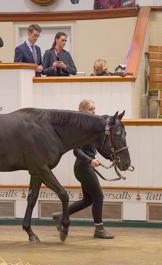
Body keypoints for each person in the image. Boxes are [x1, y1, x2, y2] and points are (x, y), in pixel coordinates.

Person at [53, 99, 114, 239]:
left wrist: (111, 157)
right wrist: (90, 160)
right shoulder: (79, 129)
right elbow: (76, 151)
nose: (94, 111)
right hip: (83, 167)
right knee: (98, 196)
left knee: (88, 199)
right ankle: (99, 229)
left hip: (85, 167)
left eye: (94, 108)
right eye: (91, 109)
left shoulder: (91, 128)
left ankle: (61, 215)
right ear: (82, 112)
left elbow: (98, 146)